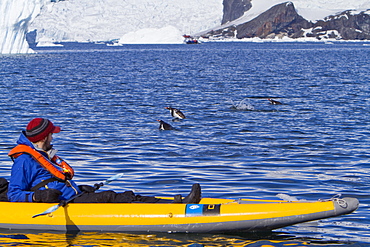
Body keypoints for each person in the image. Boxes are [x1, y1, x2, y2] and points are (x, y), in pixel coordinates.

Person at [7, 118, 201, 204]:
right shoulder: (24, 161)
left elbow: (55, 181)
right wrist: (37, 198)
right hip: (62, 205)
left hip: (73, 197)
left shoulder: (45, 155)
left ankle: (174, 203)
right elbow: (14, 194)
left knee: (124, 195)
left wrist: (80, 188)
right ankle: (171, 208)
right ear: (44, 137)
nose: (53, 138)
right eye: (51, 134)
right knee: (110, 197)